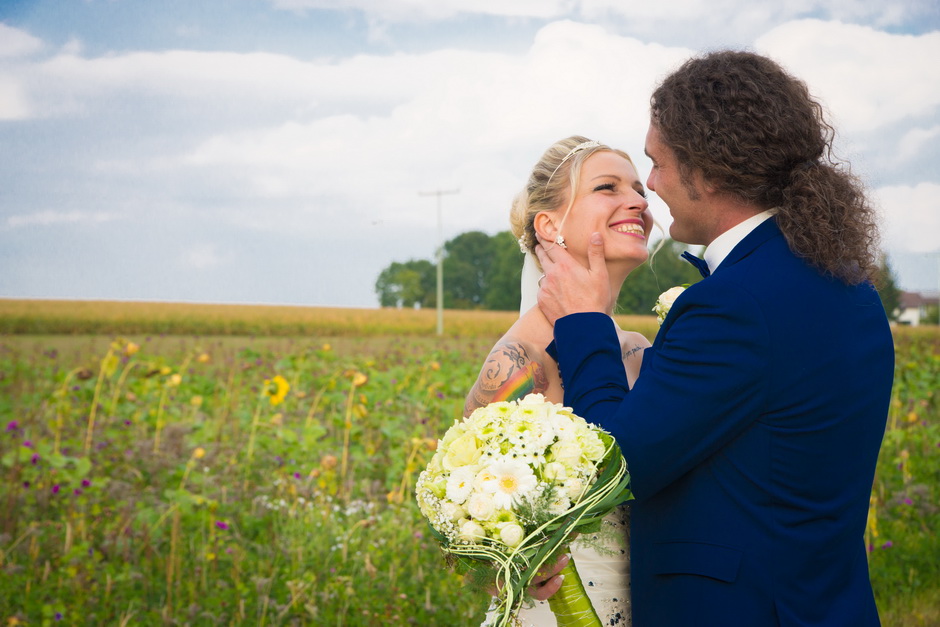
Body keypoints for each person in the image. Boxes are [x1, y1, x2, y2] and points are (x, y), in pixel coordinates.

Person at [535, 50, 894, 626]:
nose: (650, 188)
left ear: (707, 166)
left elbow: (614, 462)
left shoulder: (737, 303)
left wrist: (583, 322)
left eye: (656, 164)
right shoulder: (850, 288)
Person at [465, 135, 653, 626]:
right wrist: (506, 567)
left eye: (640, 189)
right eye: (607, 187)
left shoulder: (643, 350)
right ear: (549, 226)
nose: (637, 200)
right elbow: (476, 517)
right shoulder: (517, 361)